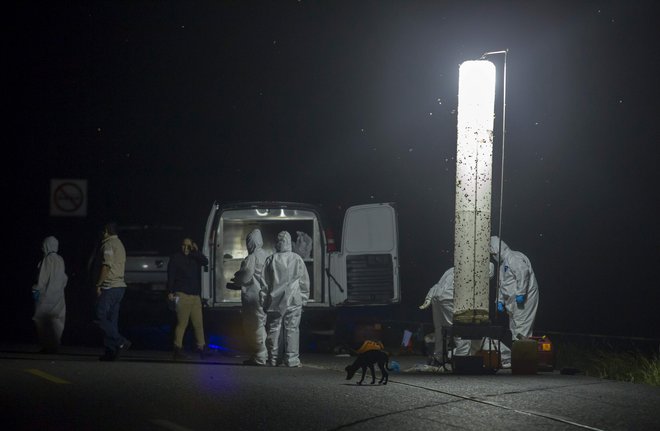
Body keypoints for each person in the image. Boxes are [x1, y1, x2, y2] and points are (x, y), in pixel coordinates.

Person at [419, 262, 495, 366]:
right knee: (460, 331)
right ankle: (461, 361)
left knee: (440, 330)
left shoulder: (452, 269)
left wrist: (428, 297)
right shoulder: (476, 273)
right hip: (450, 298)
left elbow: (437, 285)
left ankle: (439, 358)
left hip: (436, 297)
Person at [262, 231, 310, 367]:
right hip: (294, 299)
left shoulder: (270, 259)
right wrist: (304, 298)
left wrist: (264, 301)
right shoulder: (297, 259)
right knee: (292, 329)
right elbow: (304, 281)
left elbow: (264, 283)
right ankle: (291, 359)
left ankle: (273, 358)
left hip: (275, 300)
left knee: (274, 329)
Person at [490, 236, 539, 367]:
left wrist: (521, 294)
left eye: (493, 253)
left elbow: (523, 274)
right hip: (512, 303)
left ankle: (524, 362)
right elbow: (502, 285)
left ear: (496, 250)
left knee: (522, 331)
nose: (493, 256)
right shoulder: (502, 265)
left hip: (524, 301)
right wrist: (499, 301)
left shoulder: (514, 257)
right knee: (514, 330)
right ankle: (517, 359)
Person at [167, 237, 209, 360]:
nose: (185, 248)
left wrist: (196, 251)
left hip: (195, 296)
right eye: (183, 245)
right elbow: (171, 275)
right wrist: (170, 291)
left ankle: (201, 347)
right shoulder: (175, 258)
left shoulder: (194, 257)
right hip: (182, 295)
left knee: (198, 324)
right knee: (182, 324)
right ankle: (177, 349)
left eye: (188, 246)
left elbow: (205, 261)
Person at [231, 229, 269, 366]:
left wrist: (236, 282)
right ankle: (261, 355)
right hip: (263, 297)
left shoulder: (252, 257)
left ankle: (260, 356)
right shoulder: (266, 255)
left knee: (253, 327)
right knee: (260, 325)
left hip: (253, 297)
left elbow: (245, 274)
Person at [95, 222, 131, 361]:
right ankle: (111, 351)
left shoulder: (109, 245)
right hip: (120, 286)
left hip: (110, 287)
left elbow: (106, 266)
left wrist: (98, 284)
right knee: (111, 320)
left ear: (105, 231)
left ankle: (120, 341)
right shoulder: (119, 243)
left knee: (99, 316)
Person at [32, 236, 68, 353]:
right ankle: (55, 344)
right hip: (59, 295)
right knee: (57, 320)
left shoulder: (47, 259)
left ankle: (47, 345)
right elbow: (64, 278)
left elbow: (42, 278)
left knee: (42, 320)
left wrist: (36, 290)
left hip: (46, 295)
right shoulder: (60, 259)